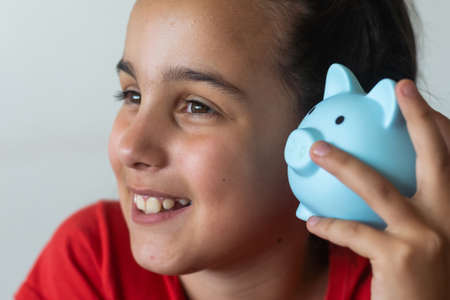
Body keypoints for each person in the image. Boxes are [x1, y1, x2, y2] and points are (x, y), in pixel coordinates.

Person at [16, 0, 450, 299]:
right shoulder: (93, 262)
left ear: (331, 128)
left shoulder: (418, 282)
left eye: (196, 106)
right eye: (131, 95)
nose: (131, 145)